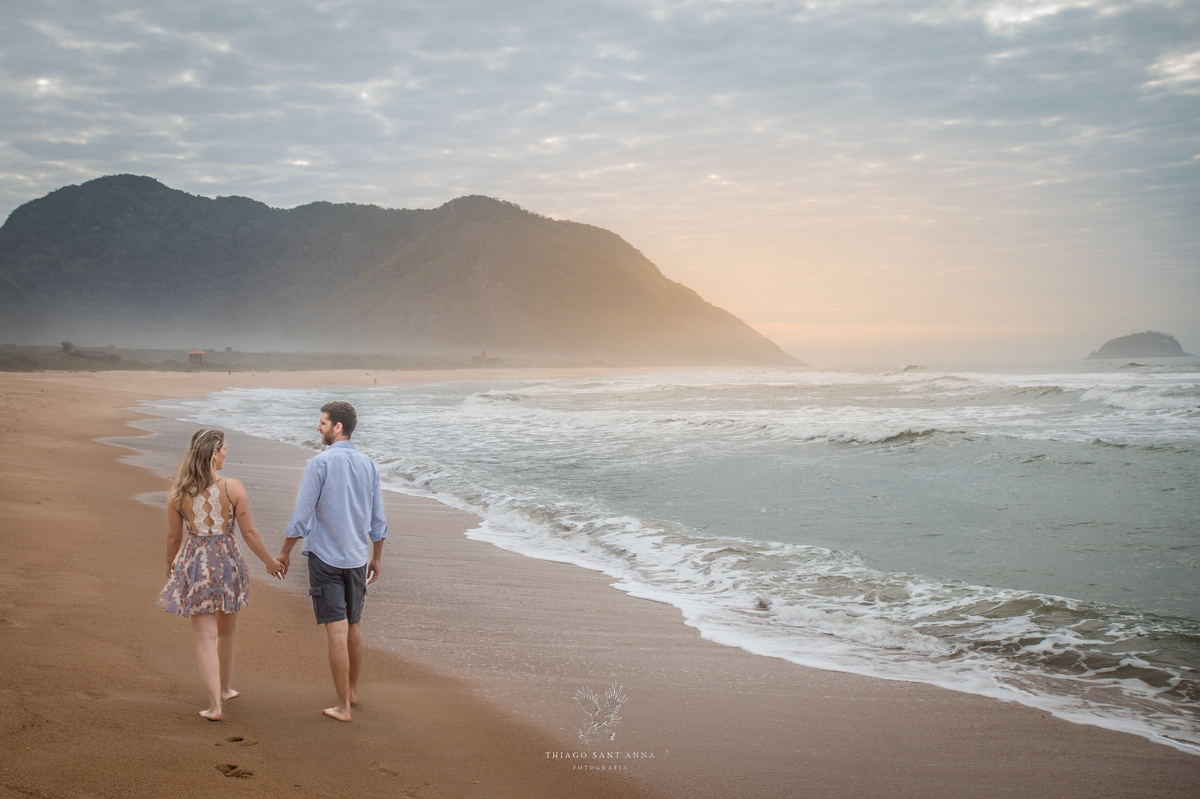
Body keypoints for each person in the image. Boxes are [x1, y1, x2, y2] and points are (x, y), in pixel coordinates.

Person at [157, 428, 285, 721]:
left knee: (205, 638)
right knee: (227, 632)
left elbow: (174, 538)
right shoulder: (233, 488)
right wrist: (268, 561)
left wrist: (169, 563)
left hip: (196, 563)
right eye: (225, 448)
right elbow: (249, 532)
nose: (227, 453)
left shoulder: (177, 493)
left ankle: (216, 704)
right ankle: (224, 689)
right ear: (214, 452)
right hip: (229, 562)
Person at [277, 401, 388, 722]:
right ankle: (352, 692)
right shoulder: (369, 465)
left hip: (325, 558)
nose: (318, 427)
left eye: (322, 423)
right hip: (356, 557)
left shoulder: (320, 464)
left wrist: (284, 551)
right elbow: (378, 520)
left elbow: (301, 516)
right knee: (353, 625)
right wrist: (376, 557)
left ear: (338, 427)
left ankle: (343, 707)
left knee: (337, 631)